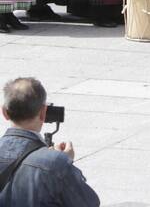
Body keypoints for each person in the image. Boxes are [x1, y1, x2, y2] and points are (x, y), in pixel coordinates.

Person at [0, 77, 99, 206]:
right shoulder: (56, 164)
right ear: (43, 113)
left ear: (4, 112)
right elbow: (88, 203)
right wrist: (63, 163)